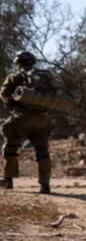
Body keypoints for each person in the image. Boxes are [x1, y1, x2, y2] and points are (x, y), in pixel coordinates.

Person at [1, 51, 55, 193]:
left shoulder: (15, 76)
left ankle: (8, 180)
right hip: (42, 119)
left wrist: (11, 104)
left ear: (18, 63)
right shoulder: (45, 76)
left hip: (22, 118)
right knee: (42, 151)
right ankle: (45, 185)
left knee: (11, 147)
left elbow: (4, 95)